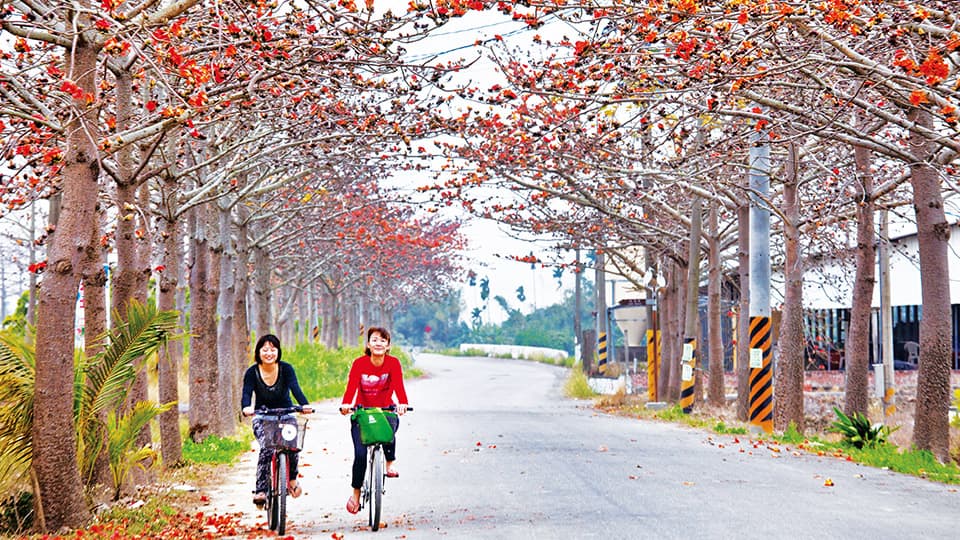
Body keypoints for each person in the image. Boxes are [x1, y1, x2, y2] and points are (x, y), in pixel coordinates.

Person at [339, 326, 409, 514]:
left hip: (385, 410)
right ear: (369, 344)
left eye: (383, 340)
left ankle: (389, 462)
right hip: (362, 413)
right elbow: (352, 386)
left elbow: (398, 385)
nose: (379, 343)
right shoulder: (359, 363)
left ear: (388, 346)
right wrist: (346, 404)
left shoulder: (393, 363)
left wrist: (402, 403)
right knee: (360, 455)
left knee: (389, 427)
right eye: (375, 340)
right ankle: (356, 493)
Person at [241, 334, 313, 507]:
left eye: (273, 349)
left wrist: (304, 404)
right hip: (263, 417)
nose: (269, 353)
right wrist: (246, 407)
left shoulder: (286, 369)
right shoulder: (252, 372)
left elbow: (295, 388)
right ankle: (261, 490)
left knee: (292, 447)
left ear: (278, 351)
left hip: (286, 414)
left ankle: (292, 480)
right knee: (266, 449)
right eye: (265, 350)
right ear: (258, 352)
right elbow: (246, 393)